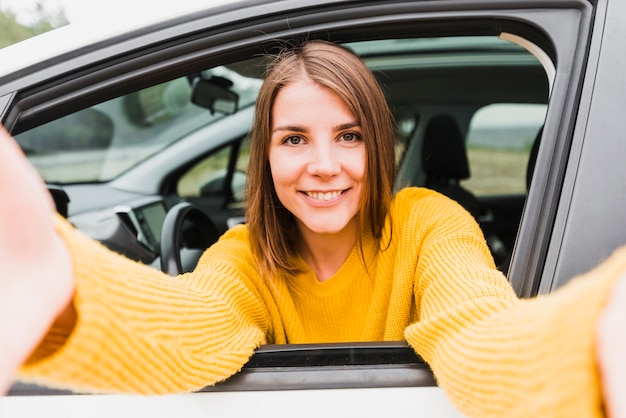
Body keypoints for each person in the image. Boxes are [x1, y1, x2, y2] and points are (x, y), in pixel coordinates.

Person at [1, 40, 625, 417]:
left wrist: (593, 341)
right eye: (295, 138)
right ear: (266, 156)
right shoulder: (243, 254)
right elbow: (190, 326)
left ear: (378, 146)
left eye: (348, 136)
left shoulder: (429, 223)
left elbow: (476, 325)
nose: (323, 166)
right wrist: (53, 279)